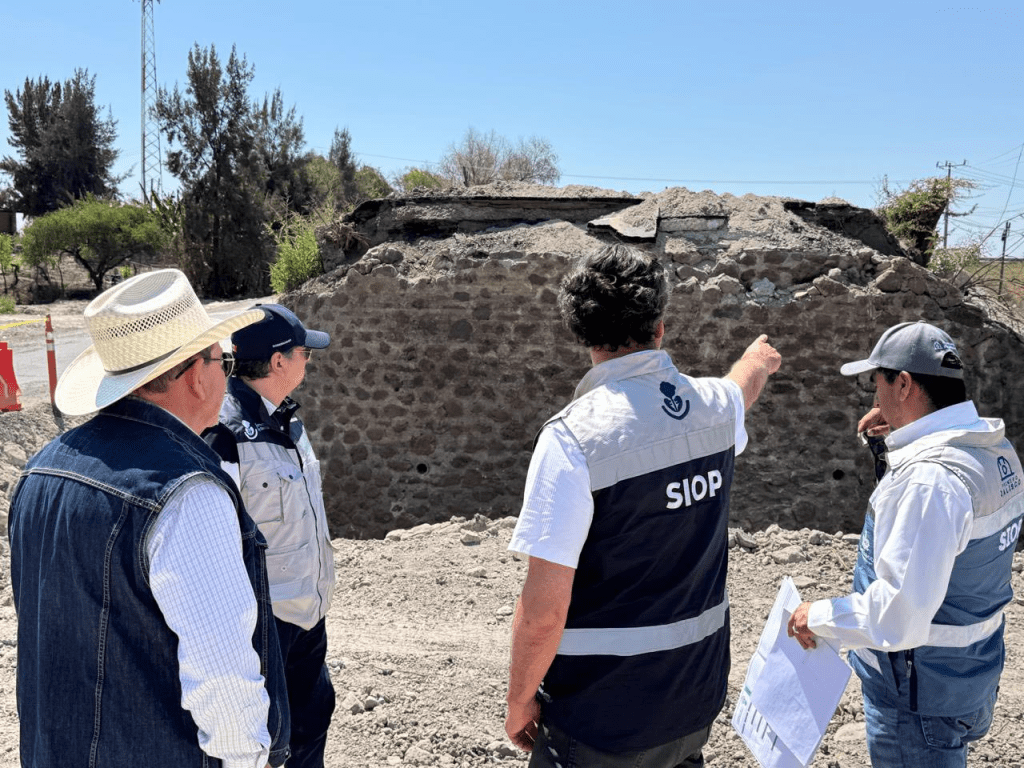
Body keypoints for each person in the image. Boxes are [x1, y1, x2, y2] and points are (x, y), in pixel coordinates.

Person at [504, 244, 782, 767]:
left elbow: (544, 612)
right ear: (659, 327)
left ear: (582, 332)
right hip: (693, 705)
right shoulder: (711, 411)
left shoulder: (574, 439)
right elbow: (737, 391)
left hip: (600, 720)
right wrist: (756, 361)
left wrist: (519, 700)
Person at [8, 269, 290, 767]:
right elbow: (223, 679)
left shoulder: (40, 470)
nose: (226, 376)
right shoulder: (187, 493)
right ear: (193, 375)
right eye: (222, 360)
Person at [788, 321, 1024, 767]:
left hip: (919, 692)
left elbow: (898, 616)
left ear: (904, 383)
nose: (873, 398)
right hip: (968, 674)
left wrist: (817, 616)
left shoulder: (928, 480)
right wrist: (896, 441)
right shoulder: (993, 450)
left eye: (876, 383)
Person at [204, 304, 336, 768]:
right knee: (264, 744)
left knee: (312, 722)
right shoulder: (225, 434)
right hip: (264, 627)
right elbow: (214, 545)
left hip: (308, 617)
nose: (309, 360)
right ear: (280, 361)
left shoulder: (288, 421)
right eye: (304, 352)